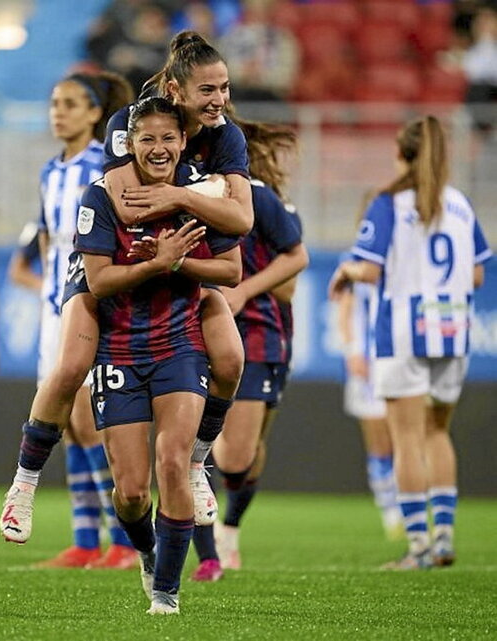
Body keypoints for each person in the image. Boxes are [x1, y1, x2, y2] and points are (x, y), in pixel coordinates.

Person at [0, 31, 252, 545]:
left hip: (175, 261)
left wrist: (179, 198)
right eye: (208, 90)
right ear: (177, 91)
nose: (220, 100)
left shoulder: (226, 135)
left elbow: (242, 218)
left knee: (230, 359)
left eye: (224, 87)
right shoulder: (128, 123)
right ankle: (24, 484)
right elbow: (128, 204)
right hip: (112, 257)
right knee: (70, 366)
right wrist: (203, 194)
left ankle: (200, 462)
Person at [77, 97, 241, 614]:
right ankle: (148, 552)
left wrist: (178, 264)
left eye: (168, 137)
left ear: (183, 141)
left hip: (179, 347)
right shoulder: (102, 195)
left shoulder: (198, 195)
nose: (158, 147)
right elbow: (99, 282)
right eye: (146, 138)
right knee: (129, 492)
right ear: (131, 142)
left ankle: (166, 595)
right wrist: (158, 264)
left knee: (172, 461)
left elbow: (231, 271)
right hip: (120, 350)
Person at [329, 115, 492, 569]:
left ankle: (418, 547)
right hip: (452, 328)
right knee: (437, 432)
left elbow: (371, 268)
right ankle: (443, 537)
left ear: (400, 154)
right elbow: (478, 272)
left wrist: (345, 271)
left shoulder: (389, 203)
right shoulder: (459, 203)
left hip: (402, 327)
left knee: (405, 440)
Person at [18, 71, 138, 569]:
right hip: (55, 310)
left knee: (91, 424)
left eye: (70, 103)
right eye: (53, 102)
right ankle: (86, 541)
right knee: (67, 424)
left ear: (95, 114)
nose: (58, 112)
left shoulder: (104, 168)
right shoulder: (50, 171)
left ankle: (124, 543)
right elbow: (46, 239)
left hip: (90, 308)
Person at [189, 119, 308, 579]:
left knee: (237, 455)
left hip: (258, 333)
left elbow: (290, 284)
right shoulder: (182, 189)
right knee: (189, 446)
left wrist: (239, 288)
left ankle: (231, 526)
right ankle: (206, 555)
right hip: (191, 329)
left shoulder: (262, 200)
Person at [336, 228, 401, 542]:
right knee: (379, 443)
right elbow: (345, 310)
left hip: (398, 358)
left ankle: (405, 506)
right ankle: (390, 511)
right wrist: (351, 350)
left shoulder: (401, 259)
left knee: (402, 438)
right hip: (367, 364)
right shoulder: (355, 262)